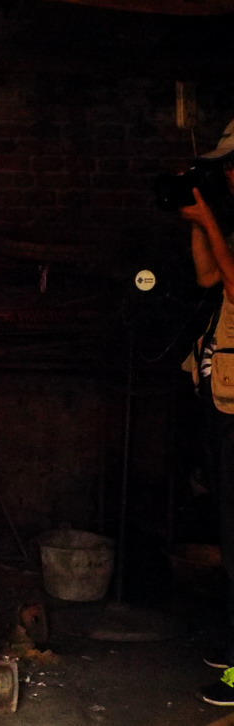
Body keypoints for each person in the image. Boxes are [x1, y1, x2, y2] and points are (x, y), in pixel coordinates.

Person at [180, 118, 234, 708]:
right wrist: (198, 224)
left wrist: (212, 222)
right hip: (224, 397)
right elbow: (207, 276)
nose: (230, 176)